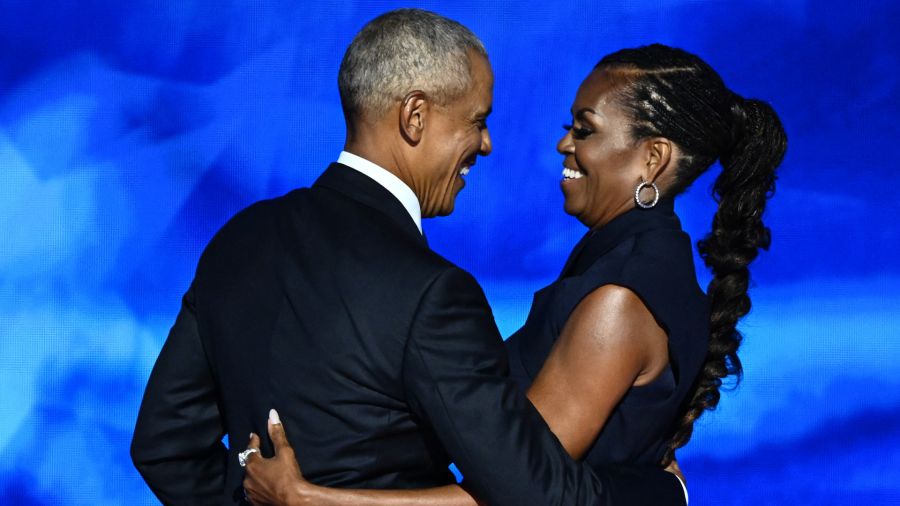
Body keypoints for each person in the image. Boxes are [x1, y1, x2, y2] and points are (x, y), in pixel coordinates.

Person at [131, 10, 687, 506]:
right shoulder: (433, 293)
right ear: (415, 117)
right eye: (477, 120)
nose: (487, 144)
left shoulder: (239, 239)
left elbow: (164, 446)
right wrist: (664, 491)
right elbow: (536, 495)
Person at [240, 43, 787, 504]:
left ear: (652, 159)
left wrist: (306, 499)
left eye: (585, 129)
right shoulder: (622, 266)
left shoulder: (619, 299)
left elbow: (516, 493)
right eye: (570, 126)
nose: (564, 144)